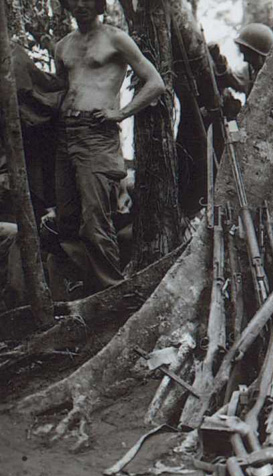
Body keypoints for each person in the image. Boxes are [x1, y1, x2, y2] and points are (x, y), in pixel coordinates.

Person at [54, 0, 164, 294]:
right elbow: (61, 90)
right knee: (66, 219)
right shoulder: (62, 46)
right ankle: (85, 292)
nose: (81, 5)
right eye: (73, 0)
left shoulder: (115, 38)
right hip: (66, 135)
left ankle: (114, 295)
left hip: (97, 134)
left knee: (95, 220)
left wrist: (121, 112)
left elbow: (155, 83)